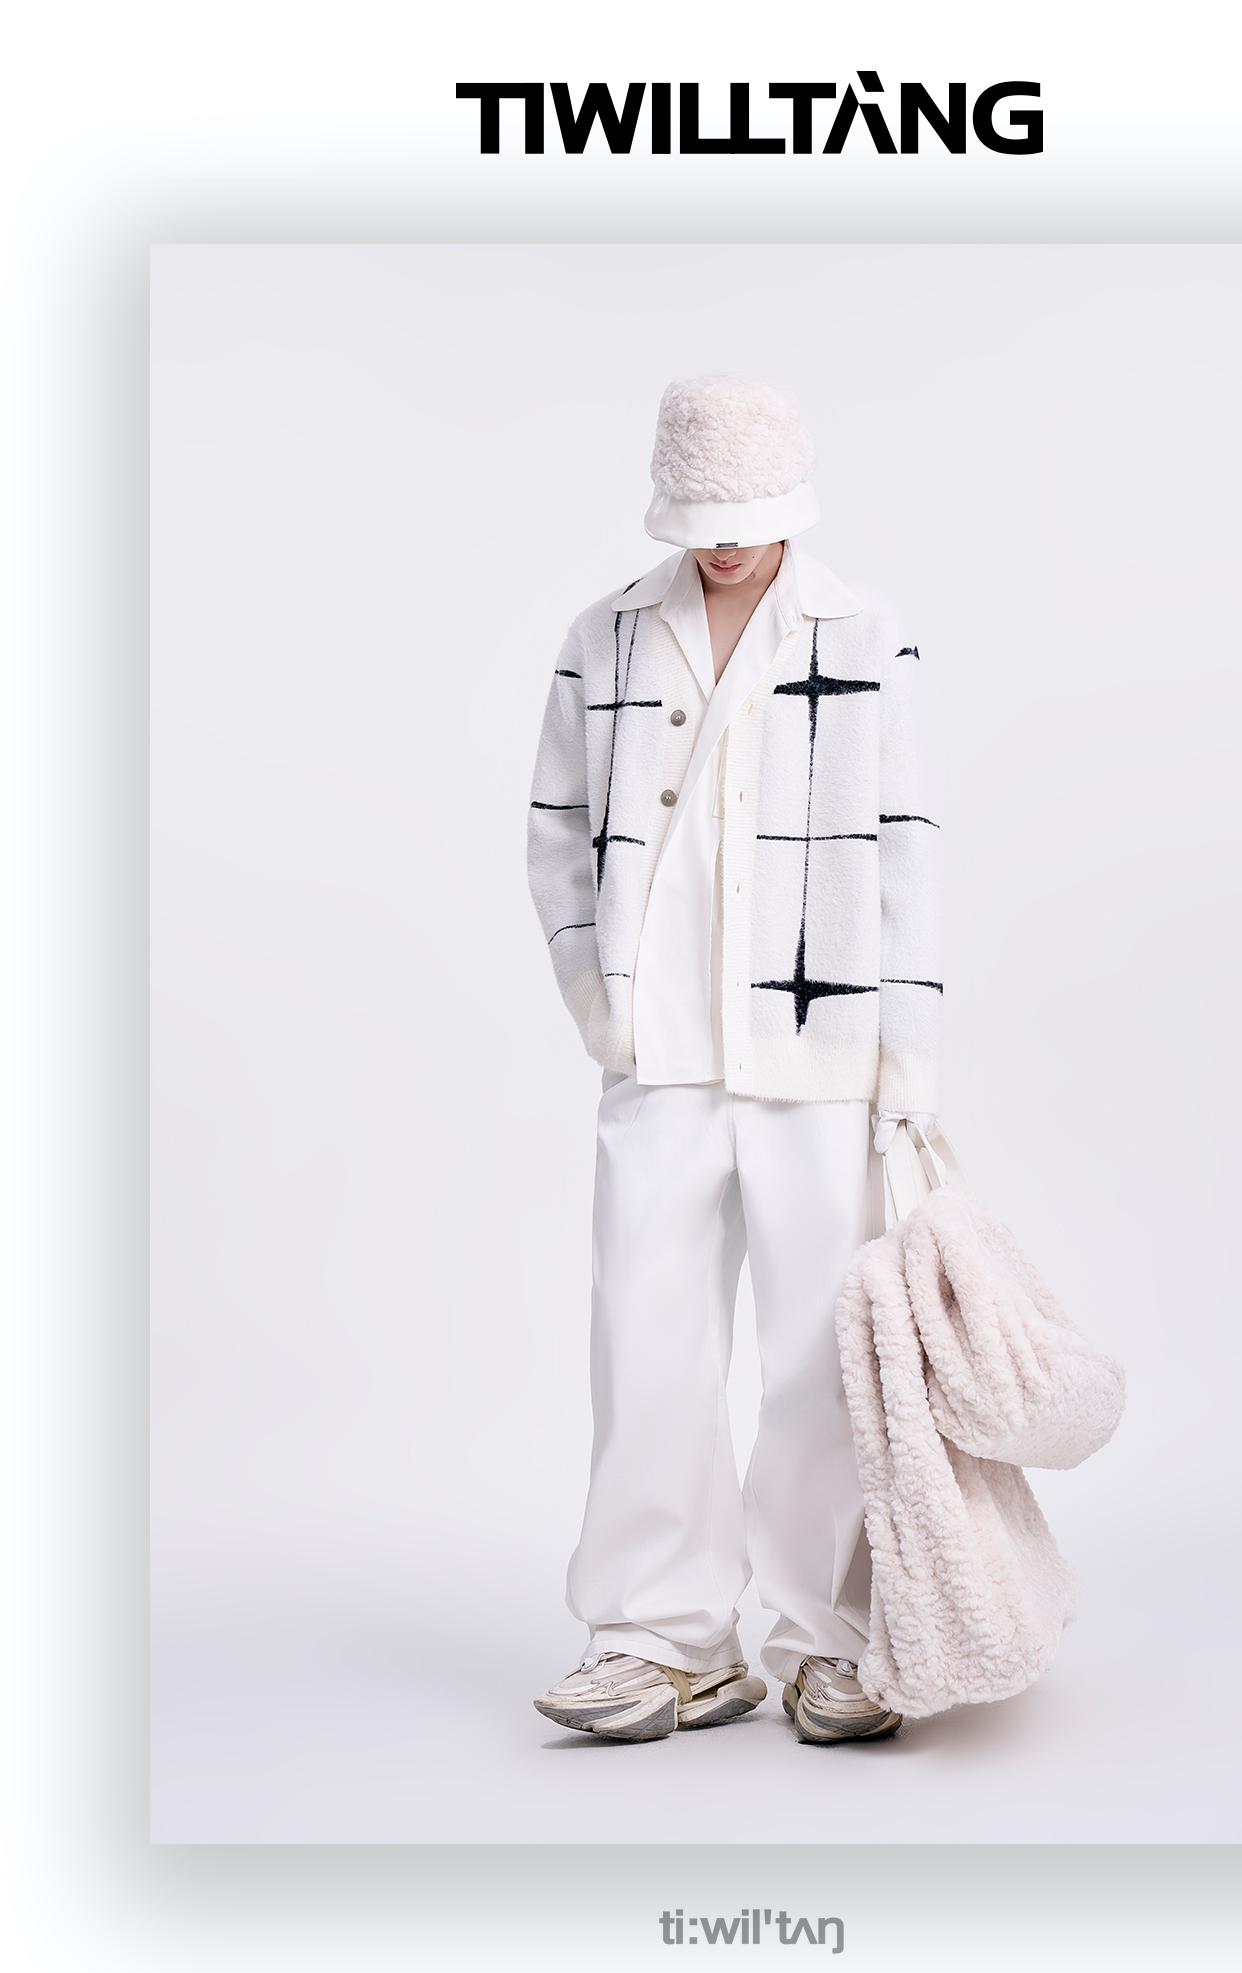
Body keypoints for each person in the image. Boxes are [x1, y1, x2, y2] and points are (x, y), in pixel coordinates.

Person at [525, 375, 940, 1744]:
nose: (722, 543)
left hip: (824, 1047)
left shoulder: (864, 630)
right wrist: (598, 1000)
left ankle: (834, 1637)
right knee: (643, 1339)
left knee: (824, 1355)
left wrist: (905, 1058)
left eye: (746, 515)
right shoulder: (604, 634)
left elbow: (906, 850)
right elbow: (556, 825)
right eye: (700, 518)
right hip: (660, 1051)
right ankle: (662, 1639)